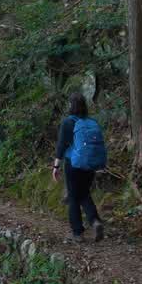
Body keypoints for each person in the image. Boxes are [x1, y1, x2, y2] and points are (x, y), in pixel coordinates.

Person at [52, 93, 105, 242]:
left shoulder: (68, 122)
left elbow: (61, 145)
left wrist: (56, 166)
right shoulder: (91, 122)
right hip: (90, 164)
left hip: (73, 164)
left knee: (74, 197)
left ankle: (77, 233)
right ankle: (95, 221)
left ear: (71, 105)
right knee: (84, 193)